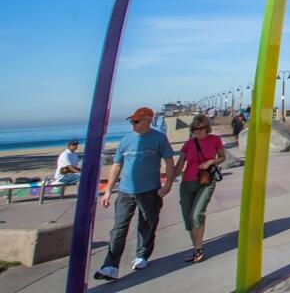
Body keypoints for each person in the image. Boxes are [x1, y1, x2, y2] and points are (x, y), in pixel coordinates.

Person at [94, 107, 175, 282]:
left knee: (146, 224)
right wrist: (108, 191)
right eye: (132, 121)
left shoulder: (159, 139)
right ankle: (110, 266)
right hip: (125, 192)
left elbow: (169, 161)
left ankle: (142, 256)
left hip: (150, 191)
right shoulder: (125, 141)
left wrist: (167, 184)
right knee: (118, 228)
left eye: (137, 121)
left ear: (148, 120)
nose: (133, 124)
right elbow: (116, 166)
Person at [175, 114, 225, 263]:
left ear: (207, 128)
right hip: (187, 183)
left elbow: (222, 157)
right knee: (188, 219)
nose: (198, 131)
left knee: (197, 215)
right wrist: (168, 183)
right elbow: (180, 164)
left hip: (205, 181)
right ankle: (196, 248)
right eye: (195, 129)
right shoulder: (189, 144)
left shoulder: (215, 140)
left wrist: (210, 162)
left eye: (201, 128)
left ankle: (199, 248)